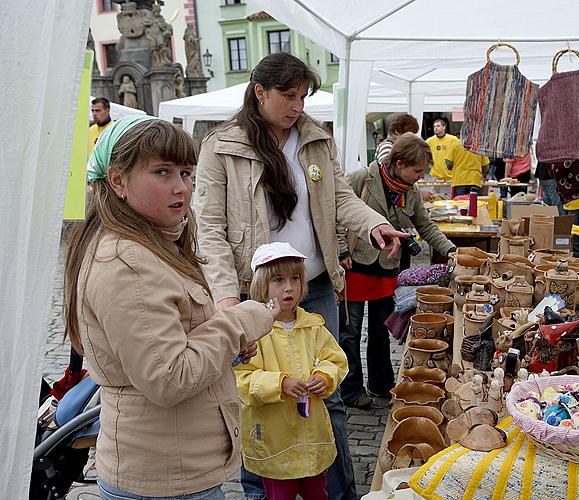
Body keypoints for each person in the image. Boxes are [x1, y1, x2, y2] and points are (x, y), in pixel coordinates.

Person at [195, 52, 405, 500]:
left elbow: (339, 196)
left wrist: (373, 222)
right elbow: (208, 227)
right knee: (259, 401)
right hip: (254, 300)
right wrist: (227, 298)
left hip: (315, 286)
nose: (297, 106)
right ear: (259, 93)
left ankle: (338, 494)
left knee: (328, 398)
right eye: (288, 96)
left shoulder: (314, 139)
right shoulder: (222, 145)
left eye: (303, 97)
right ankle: (262, 494)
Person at [64, 115, 276, 499]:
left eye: (186, 173)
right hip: (164, 477)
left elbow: (173, 338)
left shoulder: (151, 244)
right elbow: (169, 376)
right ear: (118, 181)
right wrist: (240, 321)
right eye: (162, 172)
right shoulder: (128, 264)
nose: (181, 187)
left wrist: (224, 346)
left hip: (175, 465)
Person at [338, 133, 456, 409]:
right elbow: (336, 214)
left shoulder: (411, 192)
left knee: (380, 330)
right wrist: (341, 251)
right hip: (354, 265)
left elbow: (426, 227)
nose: (421, 176)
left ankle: (381, 384)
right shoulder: (360, 179)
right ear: (400, 163)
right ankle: (350, 389)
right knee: (350, 332)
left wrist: (451, 250)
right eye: (417, 170)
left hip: (388, 269)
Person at [237, 242, 348, 500]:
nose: (289, 287)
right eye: (279, 280)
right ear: (262, 286)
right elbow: (243, 379)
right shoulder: (255, 333)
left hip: (312, 436)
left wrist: (324, 377)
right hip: (276, 440)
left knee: (317, 493)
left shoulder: (313, 326)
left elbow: (335, 360)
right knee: (280, 495)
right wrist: (280, 384)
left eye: (295, 278)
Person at [549, 158, 579, 278]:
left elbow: (557, 172)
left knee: (577, 243)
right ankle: (577, 277)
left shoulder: (570, 151)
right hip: (575, 199)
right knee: (573, 242)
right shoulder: (570, 150)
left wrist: (550, 159)